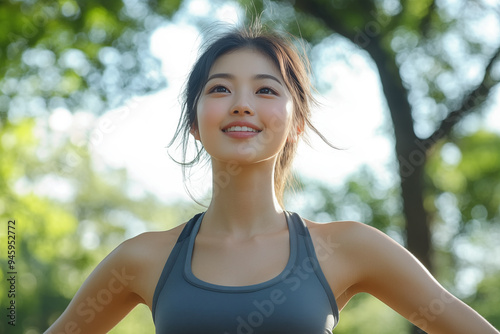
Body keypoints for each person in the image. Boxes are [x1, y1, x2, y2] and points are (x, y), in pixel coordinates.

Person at [45, 23, 499, 334]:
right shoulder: (140, 258)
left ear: (296, 121)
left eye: (265, 89)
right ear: (194, 123)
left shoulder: (349, 248)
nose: (242, 104)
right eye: (220, 89)